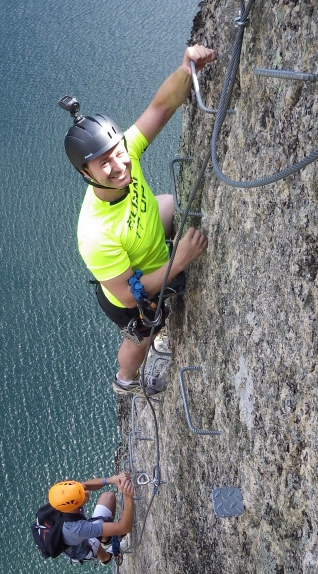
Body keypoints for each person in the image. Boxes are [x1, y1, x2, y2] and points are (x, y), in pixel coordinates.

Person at [60, 45, 216, 396]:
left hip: (143, 244)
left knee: (165, 204)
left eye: (119, 153)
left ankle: (164, 249)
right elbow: (130, 297)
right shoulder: (96, 234)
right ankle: (125, 381)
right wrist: (179, 261)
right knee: (140, 335)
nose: (119, 165)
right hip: (127, 294)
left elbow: (160, 108)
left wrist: (185, 68)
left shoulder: (125, 151)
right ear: (85, 173)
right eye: (104, 163)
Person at [46, 474, 135, 565]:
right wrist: (128, 497)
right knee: (90, 539)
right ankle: (106, 557)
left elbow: (86, 485)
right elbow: (125, 527)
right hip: (80, 551)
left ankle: (105, 540)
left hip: (72, 541)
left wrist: (112, 480)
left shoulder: (62, 501)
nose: (86, 492)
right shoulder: (77, 528)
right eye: (82, 496)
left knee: (107, 497)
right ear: (74, 507)